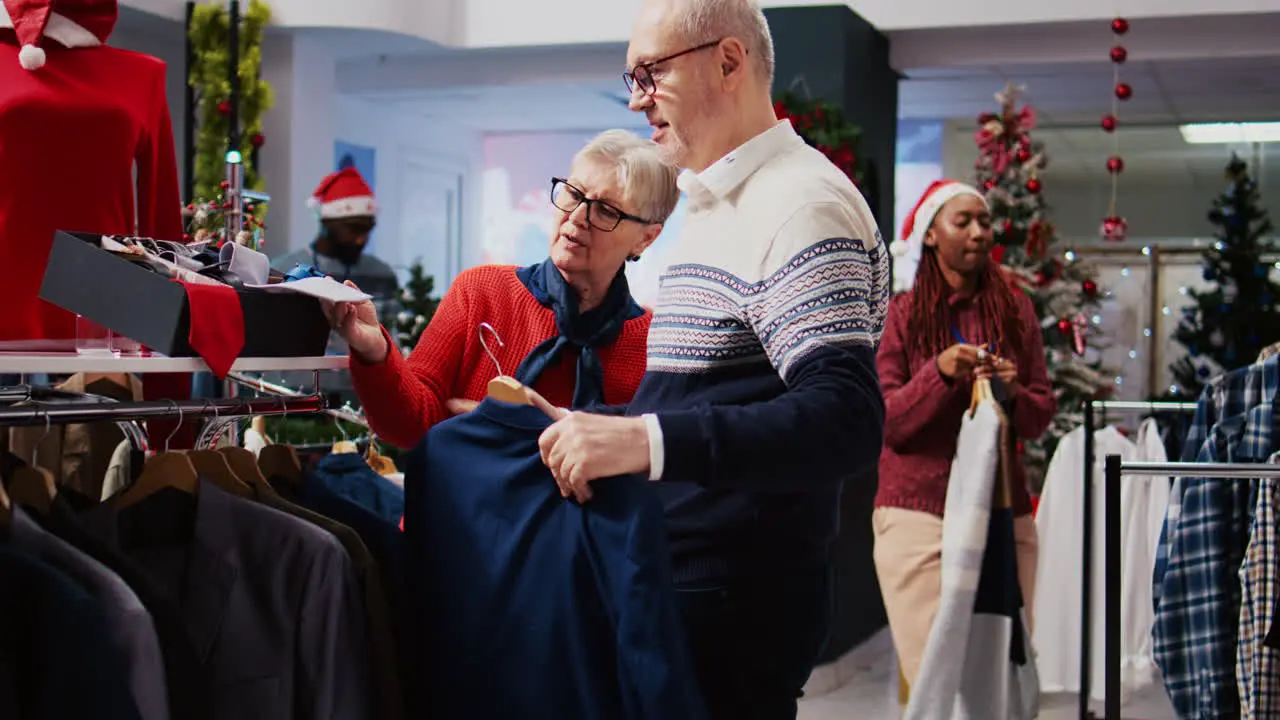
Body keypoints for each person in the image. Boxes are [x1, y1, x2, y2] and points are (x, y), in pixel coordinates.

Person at [532, 0, 889, 717]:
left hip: (735, 594)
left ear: (729, 61)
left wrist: (641, 439)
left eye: (650, 74)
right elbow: (706, 398)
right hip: (696, 580)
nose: (636, 100)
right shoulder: (722, 203)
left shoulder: (799, 204)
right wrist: (597, 426)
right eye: (630, 78)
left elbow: (844, 417)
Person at [327, 129, 679, 449]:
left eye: (605, 210)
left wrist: (513, 428)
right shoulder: (481, 291)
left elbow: (648, 472)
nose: (576, 217)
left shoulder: (654, 344)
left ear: (647, 238)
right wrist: (373, 350)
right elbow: (409, 426)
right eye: (573, 194)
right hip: (455, 518)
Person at [872, 179, 1056, 688]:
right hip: (918, 514)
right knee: (937, 676)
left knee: (1001, 673)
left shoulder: (1016, 312)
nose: (979, 231)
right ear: (931, 235)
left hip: (1003, 508)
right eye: (963, 221)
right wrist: (940, 373)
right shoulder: (902, 316)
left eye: (985, 221)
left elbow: (1041, 418)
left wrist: (1014, 391)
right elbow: (889, 422)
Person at [272, 166, 400, 308]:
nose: (361, 240)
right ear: (326, 223)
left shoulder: (382, 274)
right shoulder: (284, 270)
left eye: (367, 230)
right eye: (354, 229)